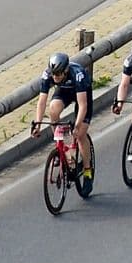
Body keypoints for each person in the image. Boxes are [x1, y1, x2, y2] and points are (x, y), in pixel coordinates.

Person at [34, 51, 95, 188]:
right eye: (53, 74)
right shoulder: (48, 75)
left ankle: (87, 171)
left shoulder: (77, 74)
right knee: (53, 109)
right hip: (65, 91)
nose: (55, 77)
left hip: (81, 93)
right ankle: (61, 148)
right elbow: (41, 101)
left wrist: (77, 125)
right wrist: (37, 123)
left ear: (66, 70)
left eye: (59, 74)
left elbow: (83, 105)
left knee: (80, 135)